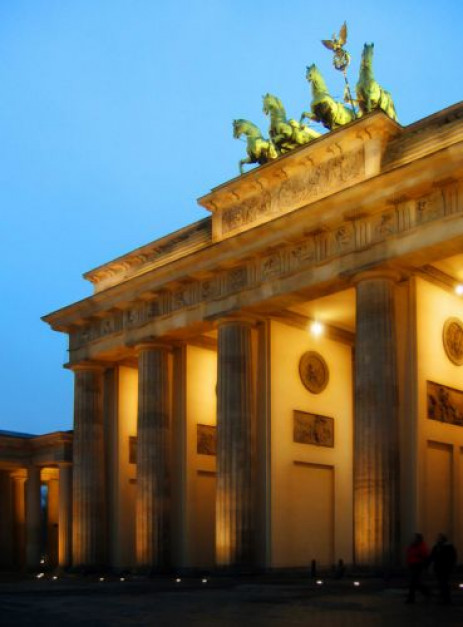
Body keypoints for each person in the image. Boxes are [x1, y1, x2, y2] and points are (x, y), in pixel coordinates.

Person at [429, 533, 457, 604]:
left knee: (444, 583)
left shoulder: (448, 547)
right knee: (441, 583)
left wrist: (450, 566)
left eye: (439, 538)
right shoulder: (437, 547)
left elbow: (452, 558)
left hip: (445, 568)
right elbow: (432, 556)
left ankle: (446, 598)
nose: (437, 539)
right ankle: (443, 598)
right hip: (439, 568)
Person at [406, 533, 430, 603]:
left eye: (414, 538)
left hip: (417, 565)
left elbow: (424, 555)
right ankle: (426, 592)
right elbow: (409, 553)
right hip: (412, 564)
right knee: (416, 582)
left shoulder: (421, 546)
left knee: (413, 582)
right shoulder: (412, 545)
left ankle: (411, 598)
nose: (413, 539)